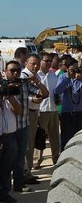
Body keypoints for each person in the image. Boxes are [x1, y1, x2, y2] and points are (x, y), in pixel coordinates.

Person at [18, 54, 47, 187]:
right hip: (26, 113)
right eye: (32, 64)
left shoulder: (34, 77)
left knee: (31, 144)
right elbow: (21, 96)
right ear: (26, 64)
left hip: (35, 112)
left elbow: (44, 93)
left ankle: (27, 172)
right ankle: (25, 174)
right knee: (27, 146)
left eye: (37, 64)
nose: (35, 66)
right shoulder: (23, 76)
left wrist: (37, 82)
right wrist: (32, 99)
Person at [55, 57, 82, 150]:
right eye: (73, 69)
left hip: (80, 113)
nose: (75, 70)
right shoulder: (63, 77)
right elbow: (58, 90)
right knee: (66, 138)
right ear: (67, 69)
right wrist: (68, 78)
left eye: (77, 68)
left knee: (80, 138)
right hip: (67, 113)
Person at [1, 61, 24, 203]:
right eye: (11, 70)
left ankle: (4, 193)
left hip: (9, 135)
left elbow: (18, 110)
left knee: (7, 167)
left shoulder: (7, 90)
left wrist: (8, 95)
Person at [36, 52, 60, 165]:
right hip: (42, 109)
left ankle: (56, 158)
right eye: (46, 61)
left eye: (50, 61)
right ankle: (37, 159)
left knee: (54, 136)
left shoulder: (52, 75)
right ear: (40, 61)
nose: (49, 63)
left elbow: (56, 91)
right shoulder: (36, 75)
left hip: (53, 109)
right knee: (40, 136)